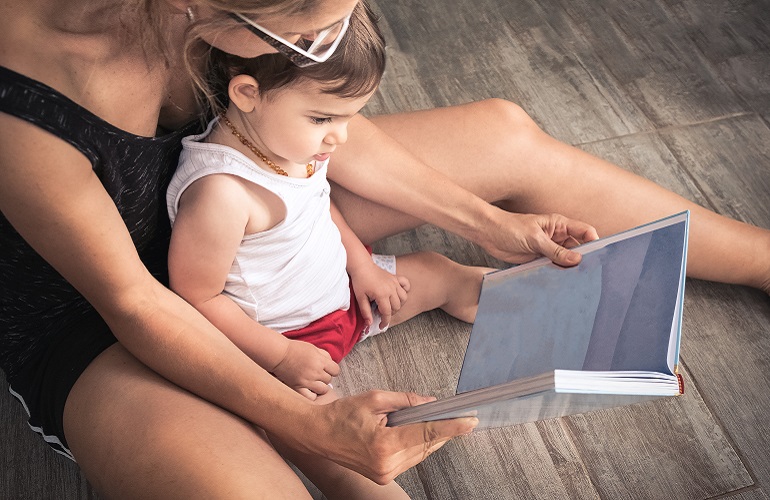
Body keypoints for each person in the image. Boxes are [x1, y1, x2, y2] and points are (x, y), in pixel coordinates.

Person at [0, 0, 767, 497]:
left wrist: (490, 225)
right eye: (309, 35)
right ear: (201, 9)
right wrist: (306, 420)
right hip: (105, 312)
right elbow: (137, 300)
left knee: (502, 132)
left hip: (259, 187)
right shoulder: (20, 104)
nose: (327, 43)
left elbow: (318, 124)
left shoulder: (257, 58)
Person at [166, 11, 493, 496]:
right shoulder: (222, 193)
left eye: (349, 116)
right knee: (328, 441)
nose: (339, 136)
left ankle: (525, 301)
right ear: (247, 94)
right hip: (281, 342)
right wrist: (279, 356)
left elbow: (321, 205)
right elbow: (195, 298)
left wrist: (362, 267)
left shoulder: (291, 145)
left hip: (346, 298)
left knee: (435, 270)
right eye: (323, 118)